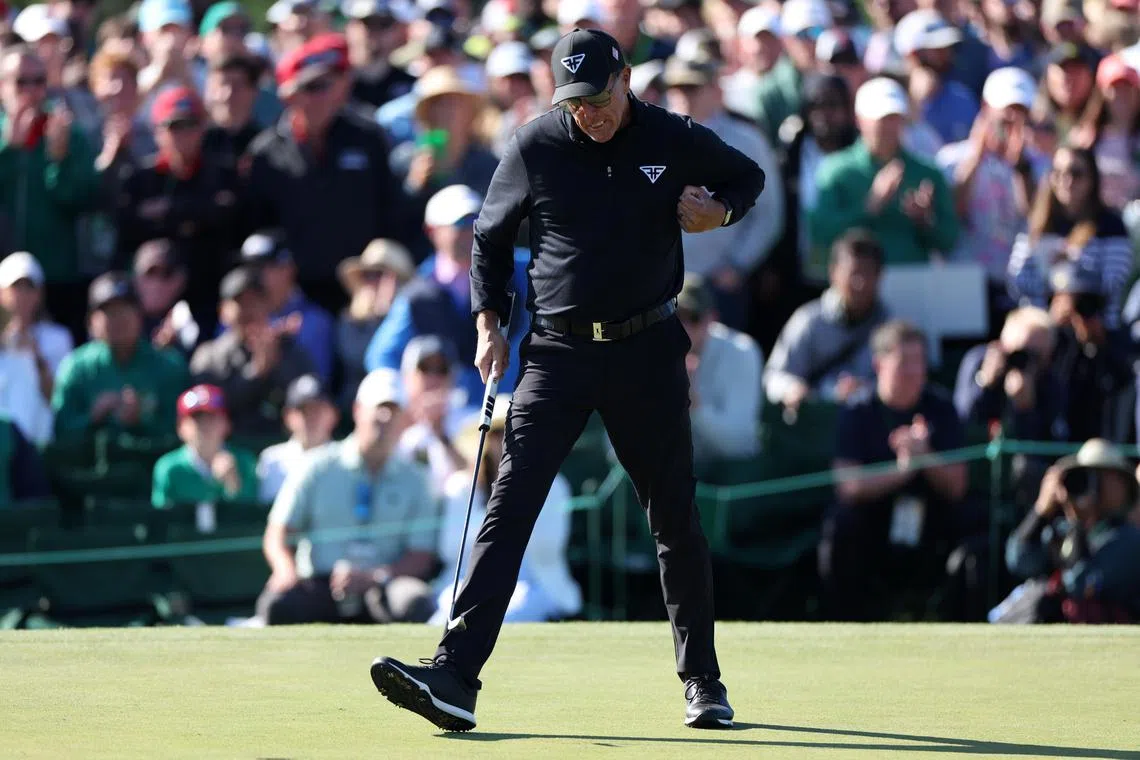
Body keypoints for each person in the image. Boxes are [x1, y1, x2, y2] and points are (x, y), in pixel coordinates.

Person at [370, 28, 765, 733]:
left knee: (674, 517)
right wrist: (488, 322)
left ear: (626, 78)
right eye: (578, 105)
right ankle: (456, 676)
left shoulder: (670, 136)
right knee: (510, 504)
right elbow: (489, 237)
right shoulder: (536, 143)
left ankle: (703, 682)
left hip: (647, 348)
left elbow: (748, 176)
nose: (592, 114)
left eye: (601, 98)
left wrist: (720, 212)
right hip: (557, 353)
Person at [822, 320, 981, 621]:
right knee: (840, 527)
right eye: (904, 362)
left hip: (932, 520)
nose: (913, 372)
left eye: (919, 362)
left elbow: (957, 485)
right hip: (874, 522)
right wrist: (902, 471)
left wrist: (925, 457)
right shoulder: (858, 411)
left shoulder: (941, 409)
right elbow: (849, 486)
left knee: (975, 530)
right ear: (879, 364)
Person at [257, 369, 438, 625]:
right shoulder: (316, 466)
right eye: (379, 408)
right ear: (357, 410)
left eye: (394, 409)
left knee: (415, 601)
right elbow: (277, 533)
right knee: (277, 602)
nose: (385, 417)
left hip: (382, 584)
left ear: (405, 419)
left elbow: (421, 556)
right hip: (320, 583)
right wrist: (285, 571)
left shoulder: (417, 478)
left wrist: (375, 576)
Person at [429, 395, 583, 625]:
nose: (506, 440)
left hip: (534, 583)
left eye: (515, 430)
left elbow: (547, 545)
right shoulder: (461, 486)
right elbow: (450, 549)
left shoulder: (554, 484)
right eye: (499, 432)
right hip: (464, 583)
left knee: (511, 613)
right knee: (441, 620)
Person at [0, 45, 98, 342]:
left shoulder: (69, 134)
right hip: (4, 279)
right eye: (21, 81)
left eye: (38, 81)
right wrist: (7, 151)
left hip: (56, 278)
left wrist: (59, 160)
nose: (30, 90)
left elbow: (80, 200)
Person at [809, 77, 960, 266]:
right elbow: (820, 233)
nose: (888, 127)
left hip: (914, 286)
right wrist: (869, 207)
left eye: (894, 118)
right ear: (859, 120)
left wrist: (925, 222)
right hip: (856, 288)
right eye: (881, 119)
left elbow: (950, 240)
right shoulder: (836, 171)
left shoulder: (927, 172)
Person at [998, 439, 1140, 623]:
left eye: (1103, 476)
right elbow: (1019, 560)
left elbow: (1080, 584)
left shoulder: (1128, 540)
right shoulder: (1061, 529)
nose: (1094, 486)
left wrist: (1079, 523)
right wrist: (1040, 513)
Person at [764, 230, 890, 413]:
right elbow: (774, 376)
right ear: (833, 273)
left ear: (880, 276)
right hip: (816, 424)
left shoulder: (889, 326)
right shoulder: (808, 320)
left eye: (867, 274)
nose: (859, 283)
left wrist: (868, 390)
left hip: (868, 423)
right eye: (853, 273)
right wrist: (793, 389)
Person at [189, 267, 317, 440]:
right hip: (231, 451)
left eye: (256, 301)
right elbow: (210, 410)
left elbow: (309, 398)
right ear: (223, 311)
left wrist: (276, 361)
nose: (249, 310)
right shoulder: (208, 356)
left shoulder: (291, 351)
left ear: (269, 306)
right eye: (240, 302)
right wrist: (256, 372)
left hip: (282, 450)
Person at [676, 273, 763, 470]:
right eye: (676, 316)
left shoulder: (742, 352)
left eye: (694, 318)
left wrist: (693, 404)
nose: (683, 326)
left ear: (711, 318)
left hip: (729, 477)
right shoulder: (650, 352)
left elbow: (739, 444)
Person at [151, 383, 260, 510]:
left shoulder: (245, 462)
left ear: (226, 424)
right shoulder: (169, 468)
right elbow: (160, 520)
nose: (205, 425)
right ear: (180, 428)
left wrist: (233, 486)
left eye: (212, 417)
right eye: (197, 419)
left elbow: (253, 521)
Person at [335, 238, 414, 408]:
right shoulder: (349, 320)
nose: (374, 282)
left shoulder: (416, 319)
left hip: (404, 408)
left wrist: (395, 312)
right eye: (368, 275)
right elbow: (360, 361)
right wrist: (381, 316)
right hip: (356, 409)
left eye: (381, 275)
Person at [257, 373, 339, 503]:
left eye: (317, 409)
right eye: (304, 410)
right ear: (288, 417)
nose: (311, 417)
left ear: (333, 414)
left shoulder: (346, 460)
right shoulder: (271, 460)